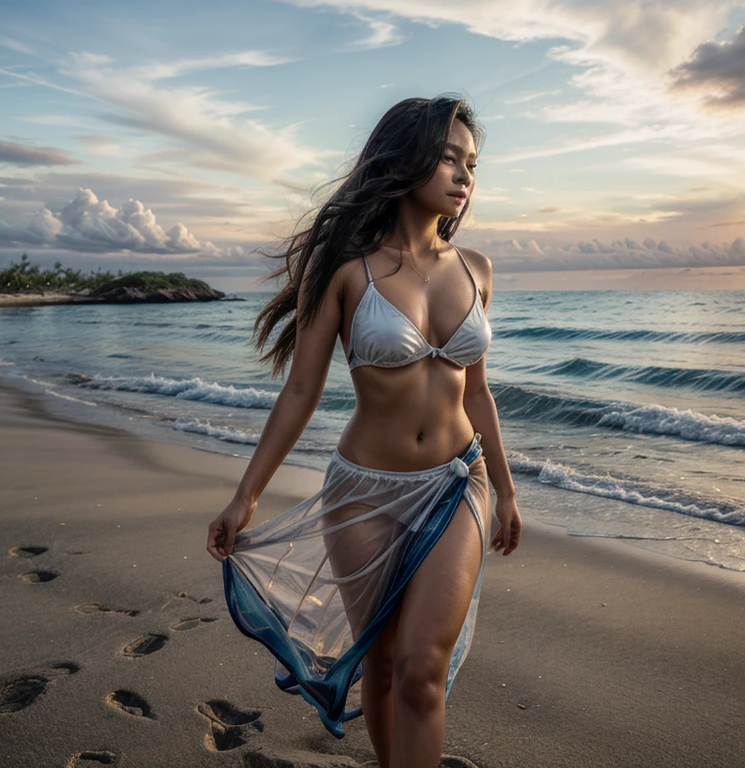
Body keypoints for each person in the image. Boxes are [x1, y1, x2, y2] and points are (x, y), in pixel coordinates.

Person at [207, 94, 521, 768]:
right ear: (404, 158)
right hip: (365, 494)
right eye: (448, 156)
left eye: (472, 162)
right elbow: (300, 392)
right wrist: (246, 495)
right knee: (379, 666)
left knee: (420, 670)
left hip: (458, 485)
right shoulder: (348, 270)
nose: (465, 173)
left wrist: (507, 488)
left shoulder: (477, 271)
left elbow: (479, 391)